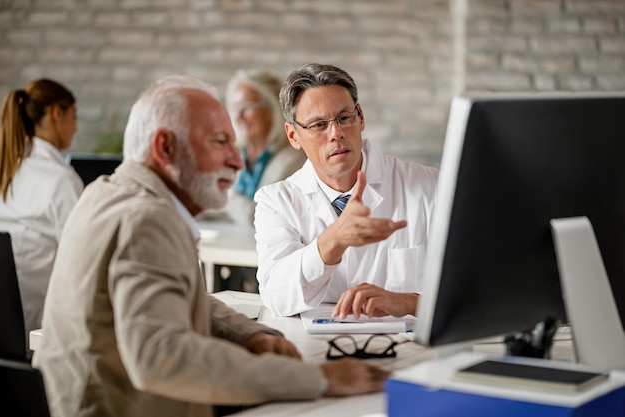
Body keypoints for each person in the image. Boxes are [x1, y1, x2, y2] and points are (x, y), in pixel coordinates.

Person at [33, 75, 388, 417]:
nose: (236, 161)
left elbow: (177, 296)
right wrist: (319, 379)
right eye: (220, 143)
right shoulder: (146, 220)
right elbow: (164, 356)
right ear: (165, 148)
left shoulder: (107, 192)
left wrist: (248, 332)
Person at [254, 63, 439, 319]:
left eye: (344, 118)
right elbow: (277, 296)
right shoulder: (277, 201)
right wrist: (333, 241)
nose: (336, 134)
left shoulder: (431, 187)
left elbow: (478, 287)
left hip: (411, 351)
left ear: (360, 116)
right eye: (319, 124)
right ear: (293, 136)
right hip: (320, 351)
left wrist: (411, 303)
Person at [0, 78, 83, 335]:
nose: (76, 127)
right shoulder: (61, 179)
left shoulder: (8, 169)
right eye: (74, 116)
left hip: (7, 324)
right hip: (35, 325)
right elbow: (82, 260)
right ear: (57, 113)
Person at [201, 69, 306, 224]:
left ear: (271, 110)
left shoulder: (293, 159)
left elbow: (257, 214)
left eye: (246, 107)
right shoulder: (239, 155)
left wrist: (224, 200)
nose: (238, 116)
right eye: (234, 109)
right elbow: (206, 203)